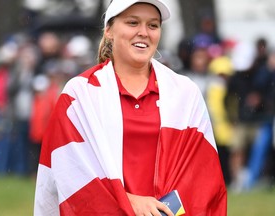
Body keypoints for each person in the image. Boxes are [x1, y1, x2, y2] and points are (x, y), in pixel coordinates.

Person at [34, 0, 227, 215]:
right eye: (133, 22)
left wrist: (161, 210)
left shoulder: (185, 93)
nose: (143, 32)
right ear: (109, 30)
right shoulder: (79, 94)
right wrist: (129, 201)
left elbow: (201, 173)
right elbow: (68, 173)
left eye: (153, 25)